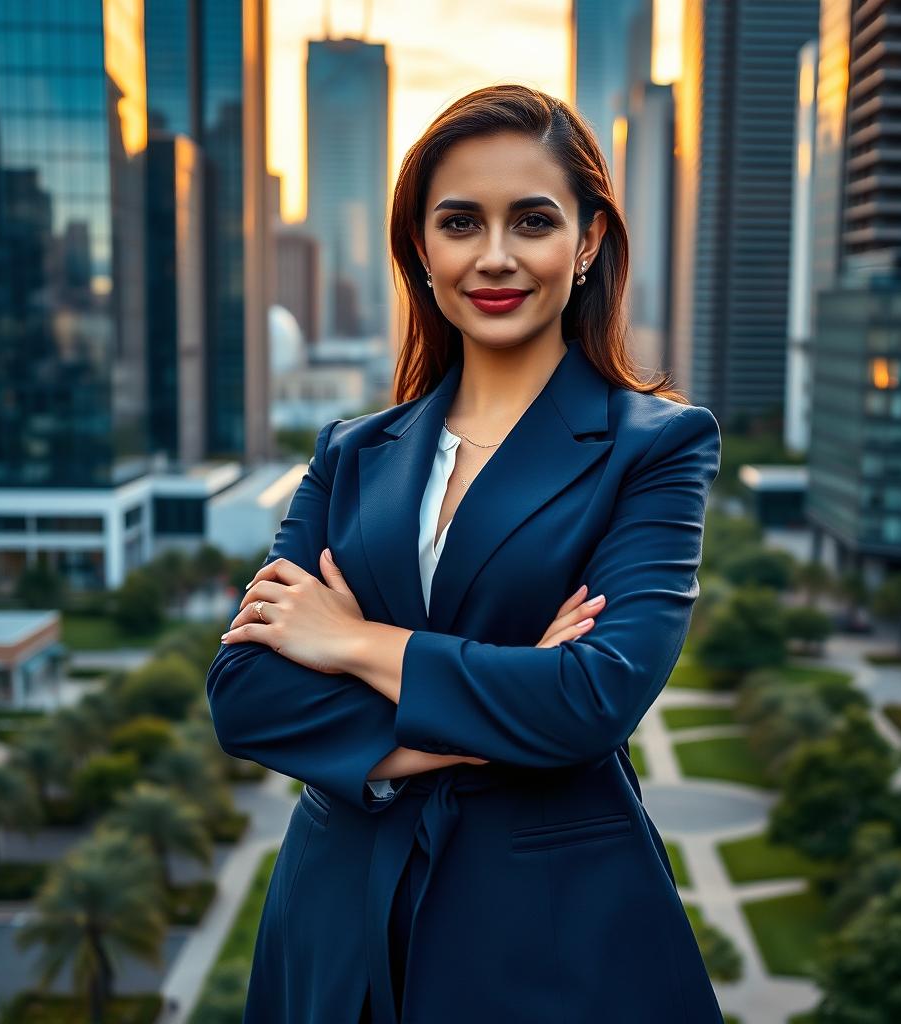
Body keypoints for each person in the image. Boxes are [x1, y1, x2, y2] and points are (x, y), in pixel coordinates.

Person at [206, 83, 724, 1024]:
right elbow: (246, 698)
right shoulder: (352, 453)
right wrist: (509, 690)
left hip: (543, 936)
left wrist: (358, 644)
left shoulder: (657, 446)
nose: (495, 256)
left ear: (589, 241)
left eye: (532, 220)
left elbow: (592, 701)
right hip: (333, 923)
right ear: (421, 247)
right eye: (459, 223)